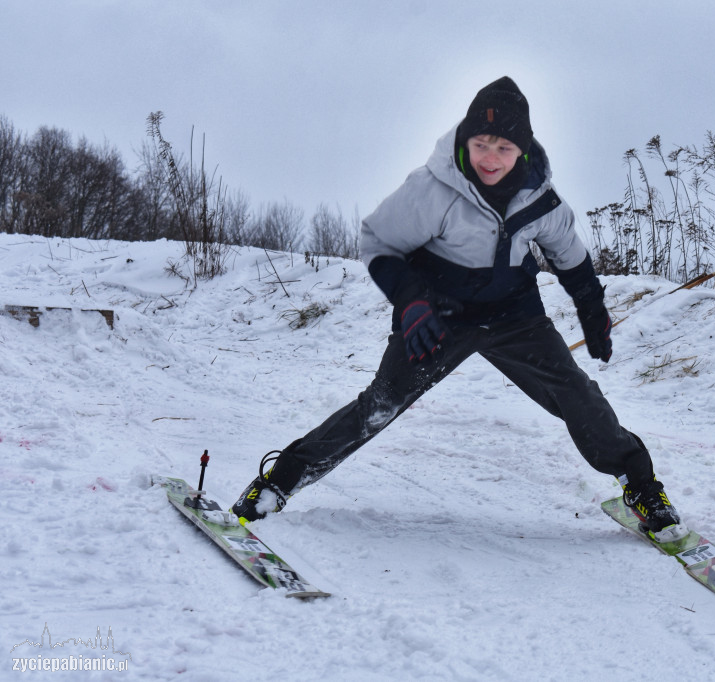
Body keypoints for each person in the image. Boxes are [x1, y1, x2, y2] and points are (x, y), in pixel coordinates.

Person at [231, 76, 686, 542]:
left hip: (514, 315)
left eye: (504, 147)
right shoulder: (433, 188)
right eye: (481, 143)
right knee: (380, 405)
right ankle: (278, 483)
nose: (490, 157)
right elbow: (379, 241)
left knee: (576, 394)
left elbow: (568, 254)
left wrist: (591, 306)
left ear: (523, 150)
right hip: (438, 314)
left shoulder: (540, 198)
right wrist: (411, 303)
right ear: (465, 138)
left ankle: (641, 486)